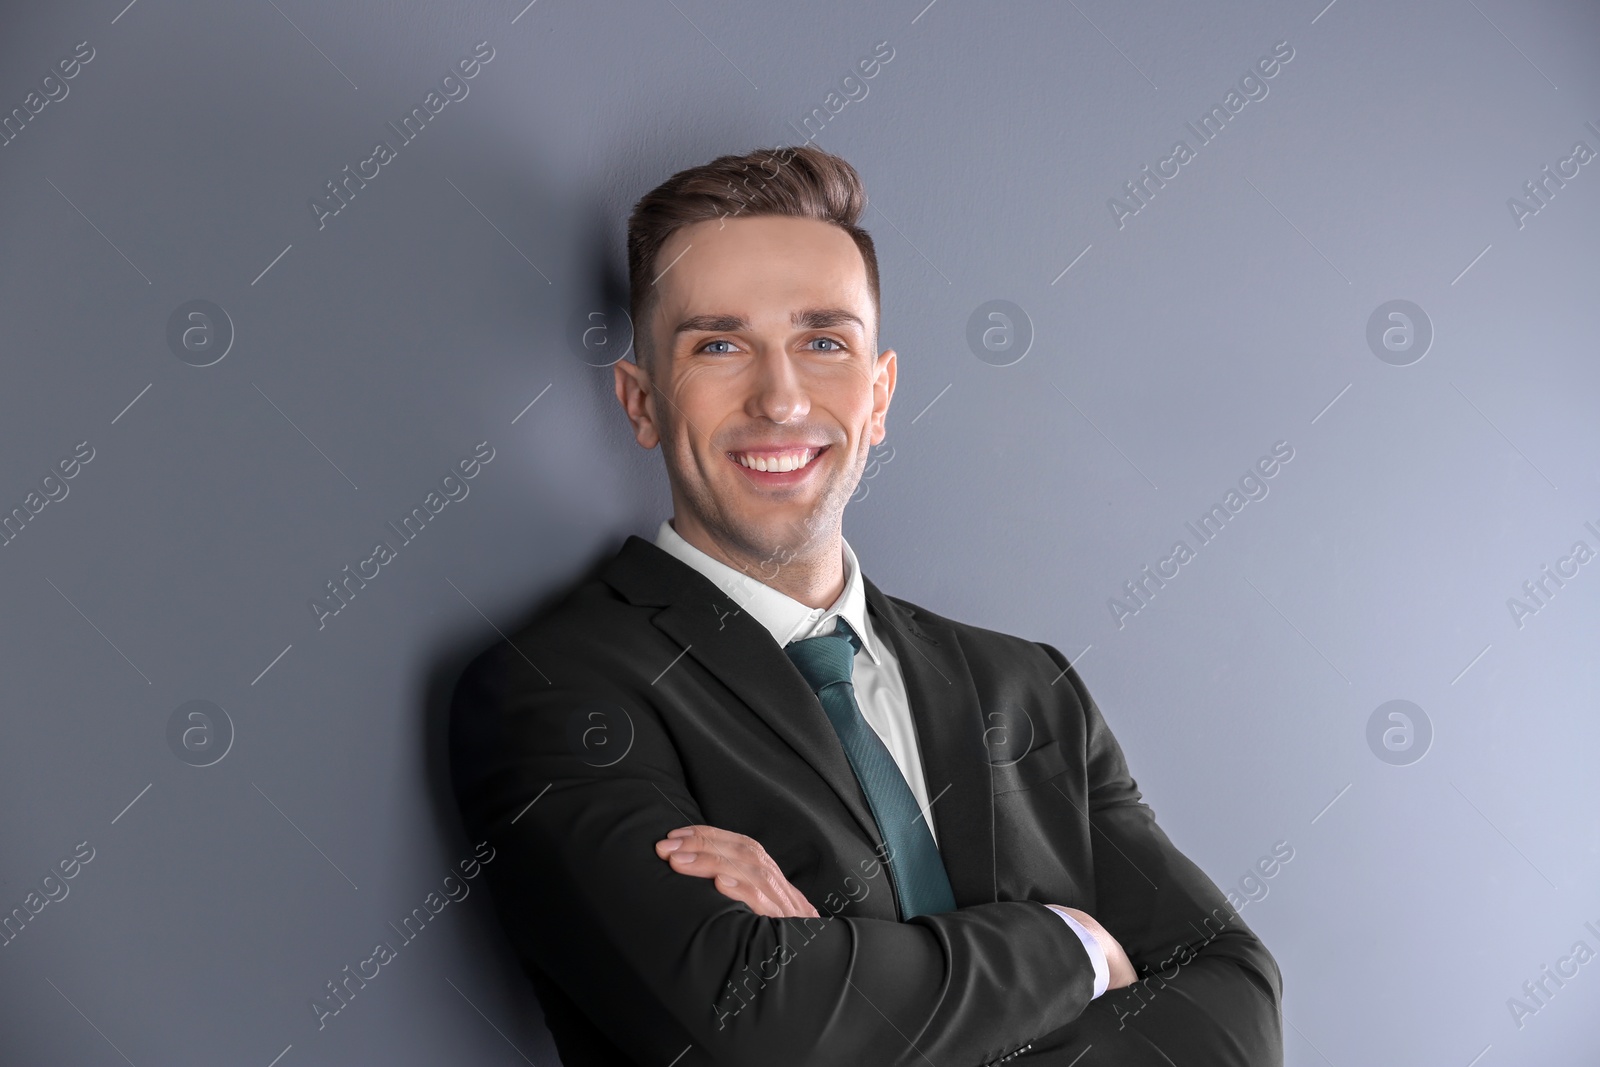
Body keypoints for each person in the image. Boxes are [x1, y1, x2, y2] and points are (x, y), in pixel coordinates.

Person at [448, 144, 1283, 1066]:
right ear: (641, 401)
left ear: (879, 395)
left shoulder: (1030, 689)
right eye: (719, 344)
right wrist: (1074, 945)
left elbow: (1234, 1000)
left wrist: (850, 979)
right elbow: (770, 1023)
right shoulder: (558, 693)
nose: (781, 396)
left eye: (824, 341)